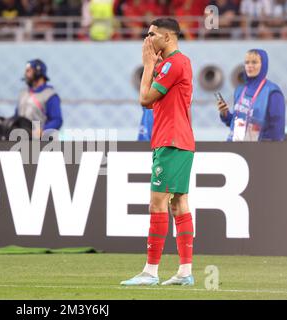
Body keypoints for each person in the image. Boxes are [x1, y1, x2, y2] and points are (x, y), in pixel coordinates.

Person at [121, 18, 195, 286]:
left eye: (151, 34)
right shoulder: (172, 64)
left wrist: (148, 65)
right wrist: (153, 65)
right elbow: (153, 104)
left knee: (157, 203)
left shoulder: (175, 63)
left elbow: (145, 100)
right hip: (176, 140)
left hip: (172, 141)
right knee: (178, 202)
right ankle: (185, 272)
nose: (147, 39)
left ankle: (150, 272)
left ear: (168, 37)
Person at [218, 49, 286, 141]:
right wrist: (225, 113)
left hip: (257, 150)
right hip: (234, 146)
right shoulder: (240, 90)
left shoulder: (273, 92)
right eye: (247, 62)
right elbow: (236, 123)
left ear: (263, 65)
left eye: (254, 62)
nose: (249, 66)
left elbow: (276, 132)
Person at [15, 59, 63, 139]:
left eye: (29, 71)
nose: (26, 74)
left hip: (39, 142)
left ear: (38, 72)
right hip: (20, 138)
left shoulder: (49, 95)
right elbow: (16, 115)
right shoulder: (23, 94)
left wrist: (43, 130)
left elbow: (57, 120)